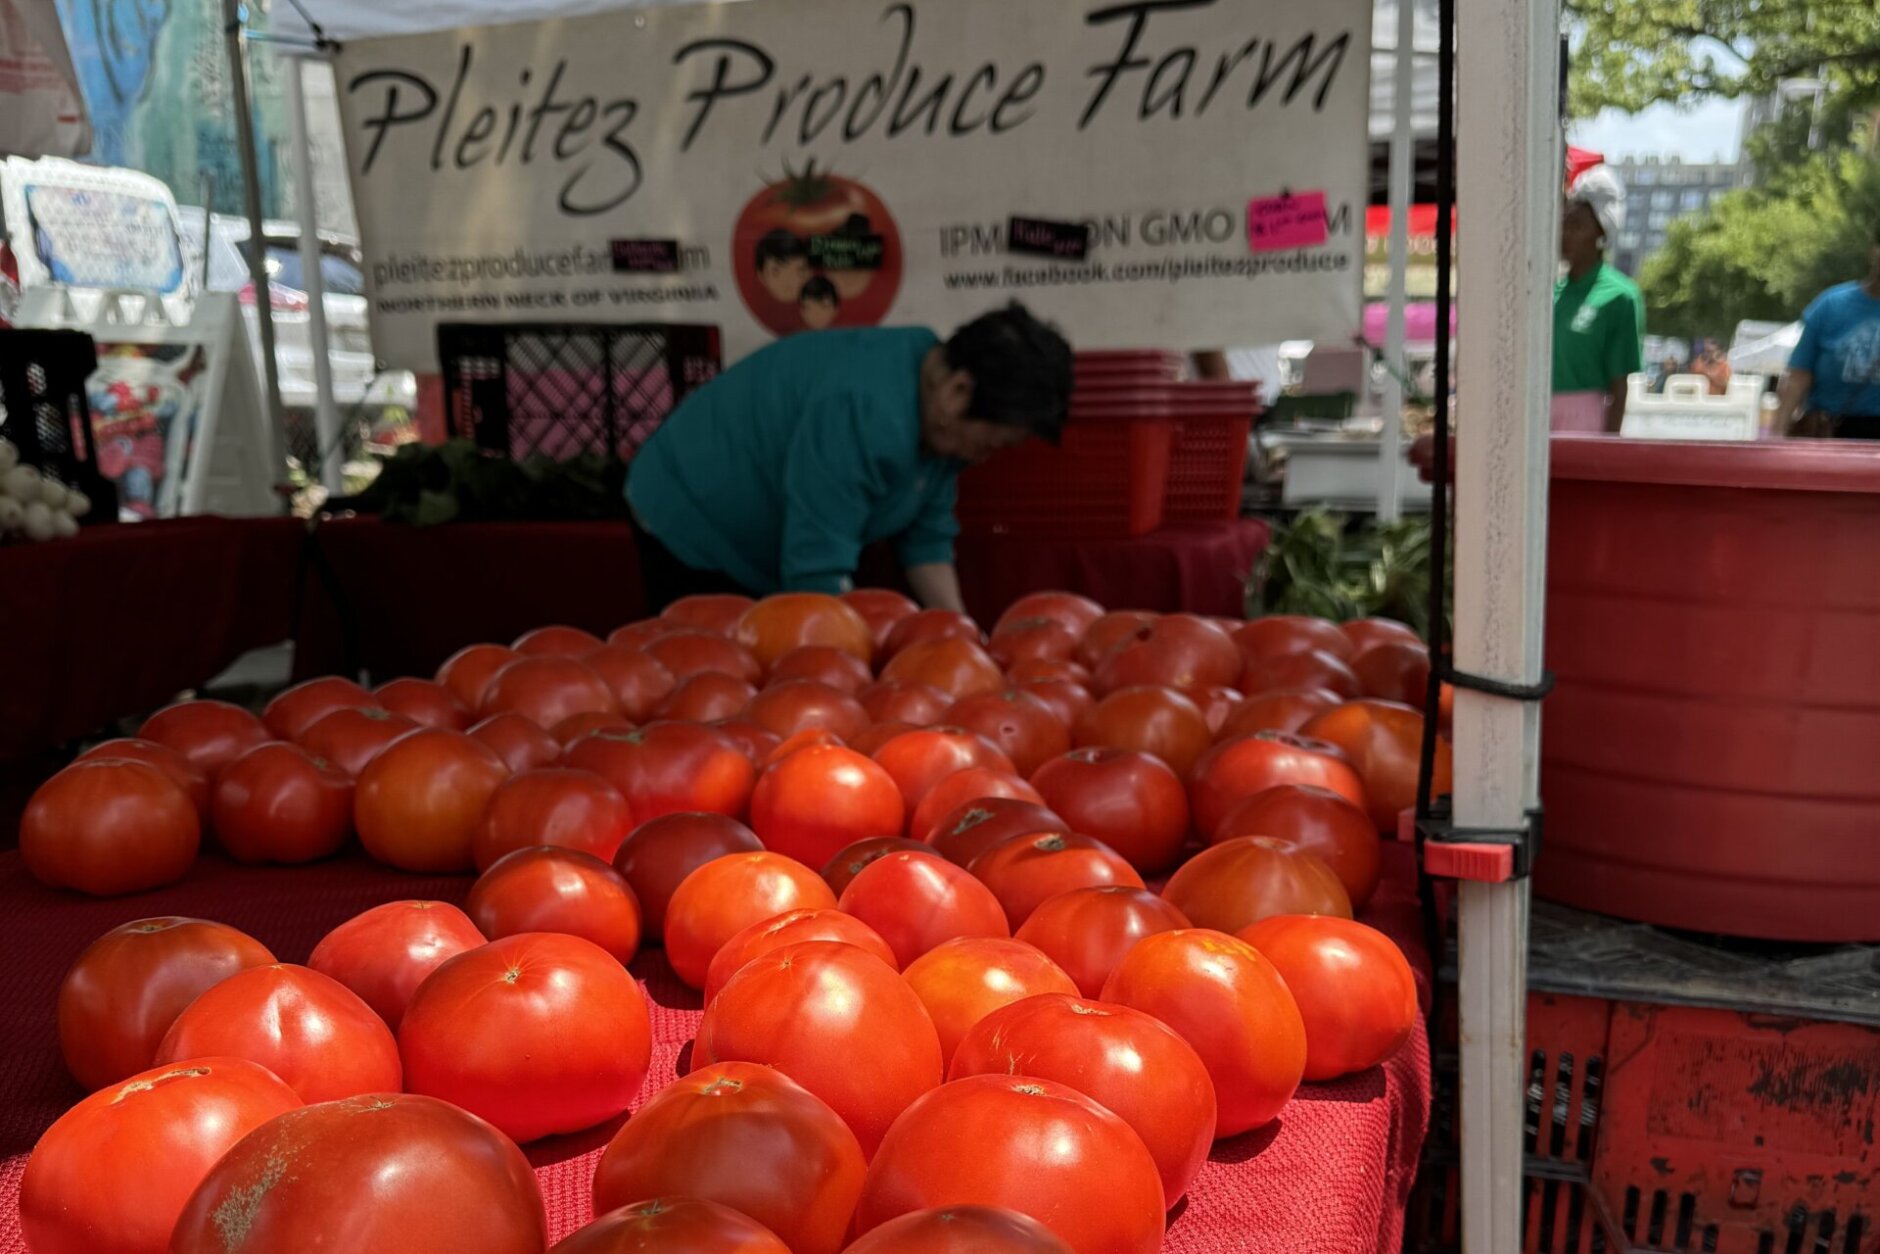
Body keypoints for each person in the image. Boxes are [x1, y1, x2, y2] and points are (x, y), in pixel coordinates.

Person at [626, 302, 1072, 614]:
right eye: (992, 444)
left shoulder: (937, 408)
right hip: (690, 514)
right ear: (957, 392)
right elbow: (816, 573)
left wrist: (964, 639)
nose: (985, 458)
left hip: (772, 537)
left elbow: (927, 542)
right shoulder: (863, 410)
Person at [1553, 165, 1646, 432]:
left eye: (1577, 226)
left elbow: (1619, 385)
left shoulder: (1620, 296)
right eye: (1564, 225)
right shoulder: (1551, 294)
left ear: (1601, 232)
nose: (1566, 235)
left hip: (1585, 421)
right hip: (1538, 414)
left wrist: (1608, 448)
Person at [1776, 231, 1880, 439]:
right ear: (1873, 251)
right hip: (1831, 433)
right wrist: (1778, 435)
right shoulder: (1831, 305)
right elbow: (1798, 376)